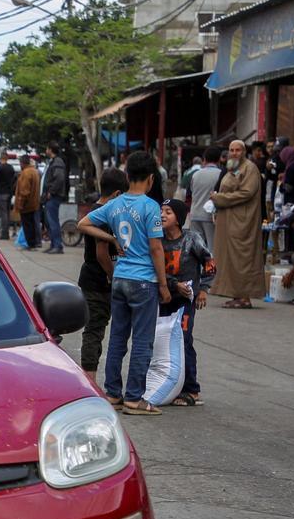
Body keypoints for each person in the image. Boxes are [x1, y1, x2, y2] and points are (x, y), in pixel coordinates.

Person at [76, 151, 170, 416]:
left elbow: (83, 224)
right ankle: (135, 398)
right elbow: (156, 249)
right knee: (142, 341)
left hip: (119, 279)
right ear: (151, 178)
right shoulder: (151, 207)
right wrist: (163, 284)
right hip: (144, 282)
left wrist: (113, 240)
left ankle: (113, 393)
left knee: (118, 336)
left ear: (128, 176)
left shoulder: (114, 206)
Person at [159, 198, 214, 407]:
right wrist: (173, 284)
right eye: (161, 211)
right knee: (161, 341)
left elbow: (209, 262)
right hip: (163, 298)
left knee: (183, 339)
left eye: (169, 212)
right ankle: (167, 385)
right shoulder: (157, 240)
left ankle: (191, 389)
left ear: (179, 218)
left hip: (185, 301)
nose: (163, 215)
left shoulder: (192, 239)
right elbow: (155, 270)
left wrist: (203, 289)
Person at [77, 168, 127, 383]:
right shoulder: (106, 214)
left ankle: (90, 378)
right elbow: (101, 253)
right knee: (95, 331)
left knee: (95, 329)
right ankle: (90, 380)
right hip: (99, 281)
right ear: (117, 194)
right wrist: (113, 275)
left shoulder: (94, 210)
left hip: (89, 277)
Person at [210, 140, 266, 308]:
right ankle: (236, 295)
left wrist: (220, 199)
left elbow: (246, 193)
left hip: (243, 223)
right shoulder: (231, 168)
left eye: (237, 150)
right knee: (229, 259)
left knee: (242, 259)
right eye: (231, 150)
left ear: (244, 152)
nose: (234, 153)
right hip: (229, 221)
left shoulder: (250, 168)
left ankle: (244, 297)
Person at [188, 145, 223, 247]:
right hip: (210, 217)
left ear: (204, 159)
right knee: (212, 248)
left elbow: (191, 191)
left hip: (194, 215)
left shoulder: (195, 175)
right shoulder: (220, 174)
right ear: (219, 159)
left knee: (197, 248)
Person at [41, 141, 68, 254]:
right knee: (49, 221)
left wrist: (51, 192)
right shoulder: (53, 162)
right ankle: (53, 244)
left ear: (50, 150)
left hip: (53, 196)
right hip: (49, 196)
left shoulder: (57, 162)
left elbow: (59, 178)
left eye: (47, 149)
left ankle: (57, 245)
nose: (46, 151)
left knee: (53, 221)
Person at [15, 155, 42, 250]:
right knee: (33, 224)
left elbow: (24, 191)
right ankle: (34, 243)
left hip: (26, 205)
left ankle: (31, 244)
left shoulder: (26, 173)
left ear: (22, 163)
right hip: (34, 203)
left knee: (27, 225)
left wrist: (20, 204)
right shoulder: (35, 171)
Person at [0, 154, 15, 241]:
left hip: (2, 192)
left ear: (1, 159)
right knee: (7, 212)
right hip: (9, 192)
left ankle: (4, 233)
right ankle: (6, 231)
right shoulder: (11, 168)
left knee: (3, 214)